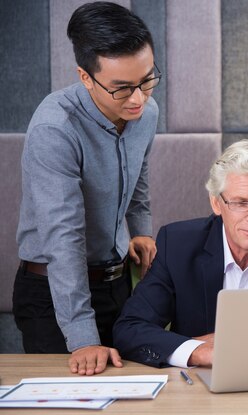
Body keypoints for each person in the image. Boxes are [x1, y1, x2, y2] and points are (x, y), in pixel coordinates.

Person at [13, 2, 160, 375]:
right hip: (52, 293)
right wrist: (82, 336)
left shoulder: (145, 111)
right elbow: (63, 238)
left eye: (147, 79)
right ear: (84, 76)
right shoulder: (55, 128)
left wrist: (140, 231)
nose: (139, 98)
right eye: (122, 88)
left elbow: (138, 174)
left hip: (117, 283)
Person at [113, 140, 248, 368]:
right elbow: (130, 328)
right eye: (240, 203)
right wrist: (198, 352)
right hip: (197, 388)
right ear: (216, 203)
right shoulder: (178, 245)